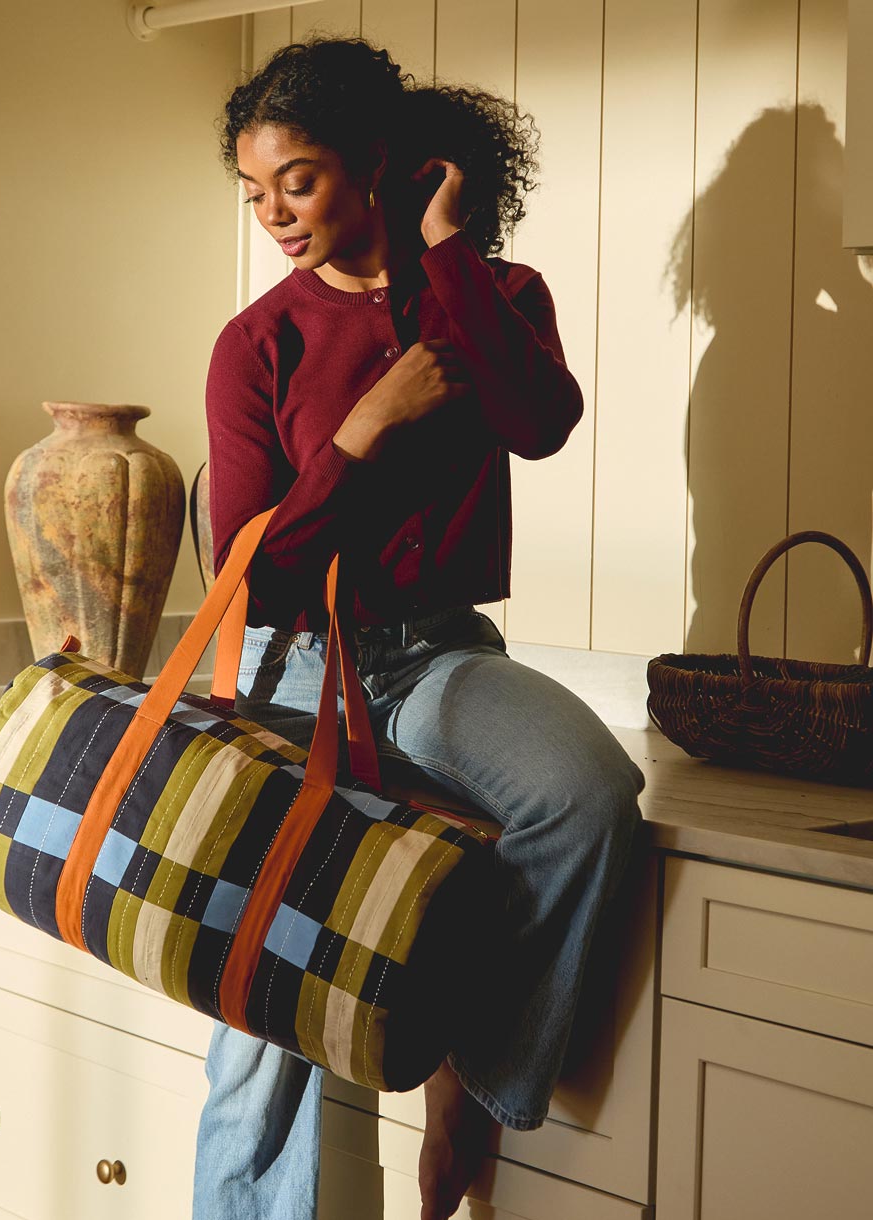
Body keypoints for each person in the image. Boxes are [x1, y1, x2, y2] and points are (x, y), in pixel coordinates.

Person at [192, 37, 645, 1220]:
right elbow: (257, 577)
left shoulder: (496, 293)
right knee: (261, 1011)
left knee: (587, 794)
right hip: (293, 668)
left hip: (441, 652)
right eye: (253, 192)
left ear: (376, 161)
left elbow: (538, 423)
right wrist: (360, 435)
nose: (273, 213)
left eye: (296, 179)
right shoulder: (256, 343)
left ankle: (478, 1081)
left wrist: (445, 246)